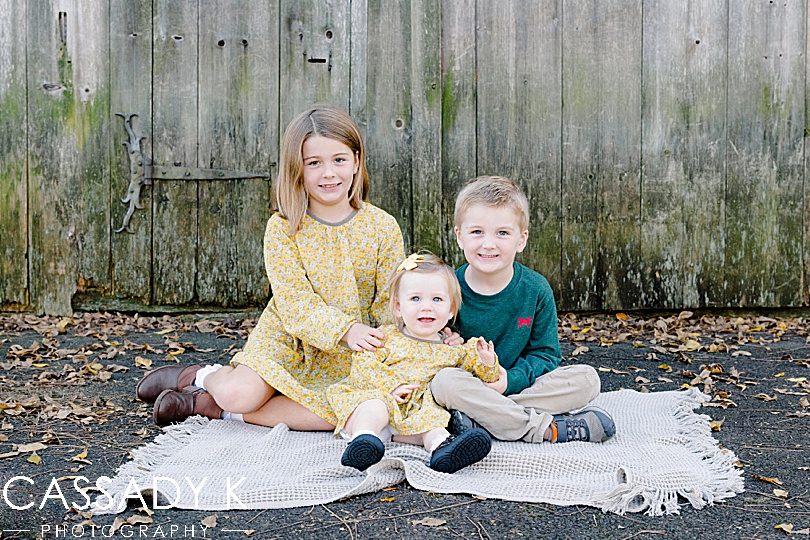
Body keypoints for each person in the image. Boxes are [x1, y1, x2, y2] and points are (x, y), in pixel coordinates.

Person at [134, 105, 405, 430]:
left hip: (355, 350)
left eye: (339, 160)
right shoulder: (284, 227)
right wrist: (344, 330)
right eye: (314, 163)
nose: (329, 173)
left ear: (357, 161)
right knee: (238, 393)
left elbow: (389, 304)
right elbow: (294, 302)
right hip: (290, 340)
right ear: (297, 170)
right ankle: (204, 376)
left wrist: (389, 342)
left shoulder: (382, 227)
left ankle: (208, 407)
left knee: (356, 409)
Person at [430, 176, 616, 444]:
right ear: (459, 237)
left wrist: (509, 381)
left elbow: (546, 355)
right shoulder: (446, 288)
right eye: (477, 232)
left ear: (521, 239)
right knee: (443, 382)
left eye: (502, 233)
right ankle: (546, 429)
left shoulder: (536, 289)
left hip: (518, 386)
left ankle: (484, 418)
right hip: (469, 387)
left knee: (587, 380)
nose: (489, 244)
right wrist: (444, 345)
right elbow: (424, 344)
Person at [328, 253, 497, 473]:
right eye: (415, 299)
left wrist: (487, 360)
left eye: (437, 300)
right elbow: (363, 365)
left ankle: (443, 449)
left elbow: (482, 376)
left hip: (414, 419)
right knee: (374, 405)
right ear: (398, 307)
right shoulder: (385, 337)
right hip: (381, 407)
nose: (426, 307)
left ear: (451, 310)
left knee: (433, 422)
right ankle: (364, 442)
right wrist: (392, 386)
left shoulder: (452, 348)